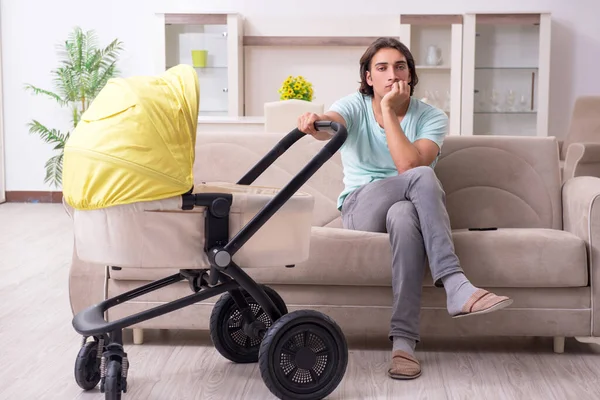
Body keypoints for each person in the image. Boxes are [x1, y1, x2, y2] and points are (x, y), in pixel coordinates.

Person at [297, 37, 513, 380]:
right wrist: (315, 120)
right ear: (368, 78)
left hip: (405, 209)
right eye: (381, 68)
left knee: (404, 213)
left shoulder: (431, 117)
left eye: (400, 66)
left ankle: (403, 345)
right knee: (422, 178)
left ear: (411, 74)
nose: (391, 74)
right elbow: (331, 125)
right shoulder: (354, 105)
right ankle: (455, 283)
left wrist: (388, 115)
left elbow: (407, 165)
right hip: (360, 208)